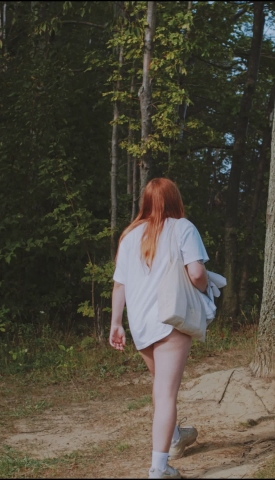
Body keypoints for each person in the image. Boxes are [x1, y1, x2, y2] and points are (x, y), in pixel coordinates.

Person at [109, 178, 208, 479]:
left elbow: (119, 284)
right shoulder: (183, 228)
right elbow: (197, 273)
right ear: (175, 200)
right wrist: (206, 290)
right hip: (171, 319)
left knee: (159, 387)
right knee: (165, 393)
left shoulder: (129, 236)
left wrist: (116, 323)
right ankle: (159, 468)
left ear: (146, 202)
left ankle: (176, 438)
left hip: (140, 323)